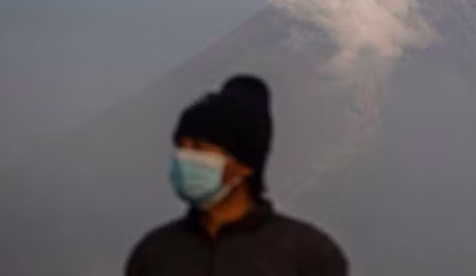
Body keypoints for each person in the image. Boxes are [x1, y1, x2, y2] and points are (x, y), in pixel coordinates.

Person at [126, 74, 348, 276]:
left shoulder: (308, 254)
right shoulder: (154, 253)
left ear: (245, 165)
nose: (185, 158)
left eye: (199, 147)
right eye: (181, 147)